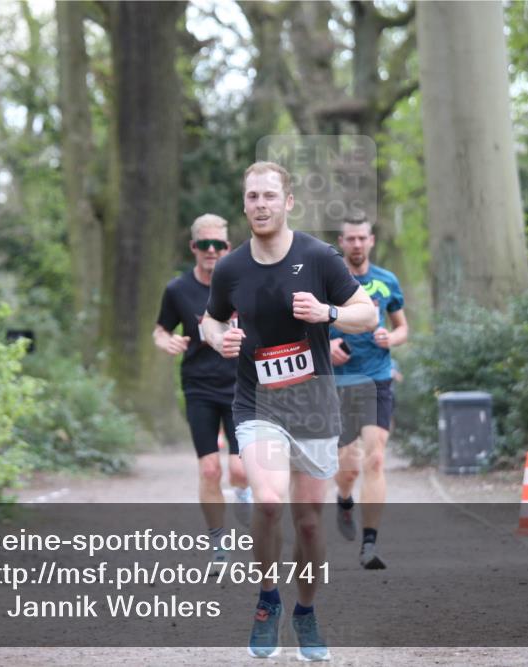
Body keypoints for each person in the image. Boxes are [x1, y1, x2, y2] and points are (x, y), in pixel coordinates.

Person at [202, 162, 377, 661]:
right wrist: (221, 340)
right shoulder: (232, 267)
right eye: (252, 196)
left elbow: (367, 314)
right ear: (244, 204)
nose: (260, 204)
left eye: (269, 196)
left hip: (314, 406)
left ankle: (305, 611)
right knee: (270, 501)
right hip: (257, 402)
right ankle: (267, 602)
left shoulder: (319, 257)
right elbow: (209, 323)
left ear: (288, 202)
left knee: (307, 524)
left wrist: (329, 313)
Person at [154, 214, 251, 563]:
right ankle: (218, 544)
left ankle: (243, 494)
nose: (212, 251)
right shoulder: (178, 289)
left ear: (228, 247)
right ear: (194, 247)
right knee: (210, 468)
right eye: (204, 245)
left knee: (240, 470)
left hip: (242, 385)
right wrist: (165, 342)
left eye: (219, 245)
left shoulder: (243, 283)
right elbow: (161, 329)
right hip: (199, 387)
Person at [329, 216, 409, 570]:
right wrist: (328, 342)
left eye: (363, 238)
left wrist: (390, 338)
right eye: (351, 239)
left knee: (375, 459)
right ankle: (344, 499)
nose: (357, 244)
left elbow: (402, 327)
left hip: (377, 377)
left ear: (371, 240)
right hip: (339, 381)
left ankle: (370, 545)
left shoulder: (386, 281)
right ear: (341, 242)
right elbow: (308, 322)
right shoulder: (328, 281)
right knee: (347, 467)